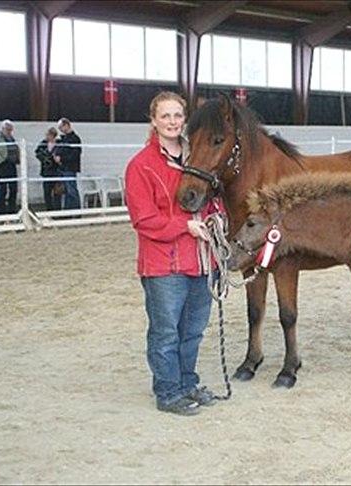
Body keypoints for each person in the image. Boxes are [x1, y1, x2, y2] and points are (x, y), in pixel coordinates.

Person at [125, 91, 220, 415]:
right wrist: (186, 226)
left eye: (177, 116)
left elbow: (213, 199)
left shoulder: (198, 159)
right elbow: (144, 219)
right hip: (164, 265)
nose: (172, 122)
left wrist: (216, 218)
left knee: (192, 331)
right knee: (166, 332)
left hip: (202, 261)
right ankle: (167, 392)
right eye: (165, 116)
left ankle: (188, 383)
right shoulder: (141, 165)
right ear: (154, 121)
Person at [54, 118, 82, 210]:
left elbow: (75, 154)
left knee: (71, 190)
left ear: (67, 125)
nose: (60, 130)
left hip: (70, 167)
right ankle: (67, 211)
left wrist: (61, 158)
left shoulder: (75, 139)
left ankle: (76, 211)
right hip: (63, 168)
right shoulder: (63, 139)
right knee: (66, 191)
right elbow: (59, 149)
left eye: (61, 127)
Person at [35, 127, 63, 210]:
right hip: (46, 171)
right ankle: (49, 209)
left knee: (57, 192)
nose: (46, 136)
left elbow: (62, 153)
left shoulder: (59, 144)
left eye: (48, 135)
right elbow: (37, 153)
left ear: (52, 135)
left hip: (56, 171)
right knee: (47, 192)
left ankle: (57, 211)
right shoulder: (43, 143)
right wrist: (44, 159)